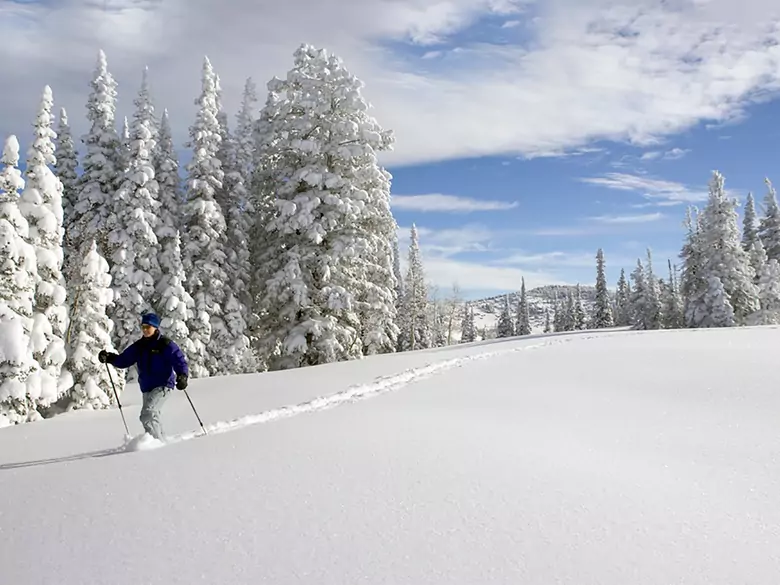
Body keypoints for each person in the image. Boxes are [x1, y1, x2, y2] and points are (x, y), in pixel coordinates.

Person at [98, 312, 189, 440]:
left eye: (148, 327)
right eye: (143, 327)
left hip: (163, 385)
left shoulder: (165, 344)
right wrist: (109, 358)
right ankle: (162, 442)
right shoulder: (139, 346)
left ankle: (157, 445)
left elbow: (179, 360)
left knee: (148, 414)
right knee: (153, 415)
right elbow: (124, 360)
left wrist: (182, 376)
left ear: (155, 327)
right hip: (147, 388)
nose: (145, 330)